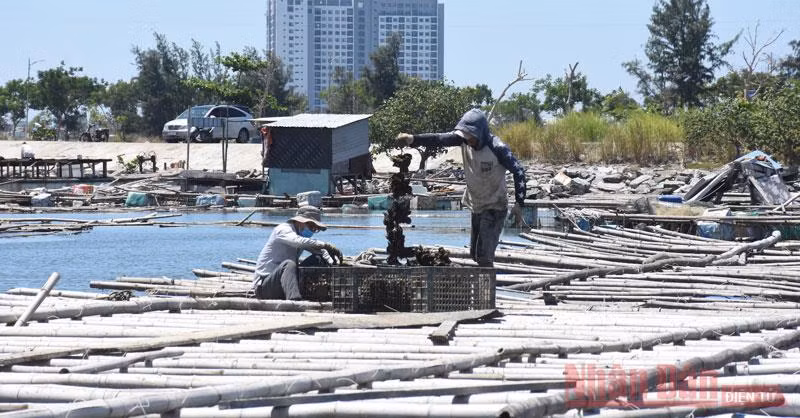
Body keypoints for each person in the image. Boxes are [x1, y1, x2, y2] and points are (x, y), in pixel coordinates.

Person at [396, 108, 527, 267]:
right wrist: (412, 139)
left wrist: (519, 203)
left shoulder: (498, 148)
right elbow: (438, 138)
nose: (468, 139)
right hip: (476, 204)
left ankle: (486, 289)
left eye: (471, 136)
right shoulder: (463, 140)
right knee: (475, 254)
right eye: (465, 135)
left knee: (484, 257)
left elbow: (519, 171)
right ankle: (482, 284)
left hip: (495, 206)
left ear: (481, 133)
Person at [252, 205, 343, 300]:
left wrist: (332, 257)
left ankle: (320, 292)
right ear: (300, 222)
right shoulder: (283, 229)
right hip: (265, 286)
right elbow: (297, 241)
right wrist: (325, 245)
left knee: (319, 258)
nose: (312, 231)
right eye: (311, 226)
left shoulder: (302, 237)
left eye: (315, 229)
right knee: (289, 264)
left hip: (283, 283)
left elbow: (319, 251)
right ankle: (294, 301)